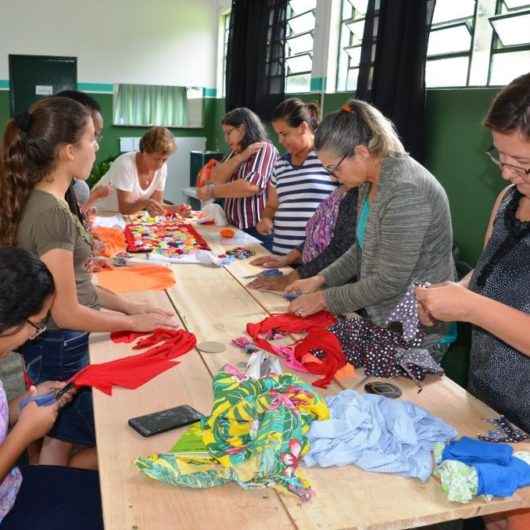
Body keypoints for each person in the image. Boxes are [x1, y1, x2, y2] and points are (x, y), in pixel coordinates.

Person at [0, 96, 178, 467]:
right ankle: (49, 502)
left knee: (59, 437)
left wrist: (130, 306)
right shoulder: (52, 214)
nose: (97, 146)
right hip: (60, 344)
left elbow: (78, 286)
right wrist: (132, 323)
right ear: (68, 151)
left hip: (58, 341)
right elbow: (66, 311)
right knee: (58, 439)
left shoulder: (52, 203)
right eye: (91, 139)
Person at [416, 74, 530, 530]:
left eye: (522, 163)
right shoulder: (509, 199)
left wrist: (471, 308)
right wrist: (454, 294)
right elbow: (487, 274)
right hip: (489, 400)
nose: (506, 174)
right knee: (482, 516)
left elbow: (483, 306)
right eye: (500, 157)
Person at [285, 99, 455, 353]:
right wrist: (320, 279)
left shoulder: (405, 191)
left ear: (362, 152)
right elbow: (362, 247)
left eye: (334, 168)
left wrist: (323, 298)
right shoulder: (368, 181)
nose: (333, 177)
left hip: (416, 327)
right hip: (384, 317)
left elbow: (389, 282)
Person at [0, 247, 103, 530]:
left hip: (12, 486)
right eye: (36, 325)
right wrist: (25, 433)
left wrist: (22, 406)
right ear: (9, 319)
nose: (35, 334)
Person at [254, 98, 338, 255]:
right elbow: (272, 206)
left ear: (303, 127)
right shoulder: (280, 164)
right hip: (281, 254)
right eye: (278, 135)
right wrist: (266, 219)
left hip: (316, 259)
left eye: (284, 134)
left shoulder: (328, 159)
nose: (280, 140)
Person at [248, 184, 358, 292]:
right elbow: (315, 235)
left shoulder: (355, 196)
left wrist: (291, 278)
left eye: (334, 167)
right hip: (312, 278)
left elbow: (339, 249)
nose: (329, 170)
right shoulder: (341, 189)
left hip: (332, 287)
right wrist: (288, 258)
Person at [196, 107, 278, 250]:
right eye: (225, 134)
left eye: (229, 133)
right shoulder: (236, 152)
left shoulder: (265, 149)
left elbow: (250, 186)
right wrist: (241, 157)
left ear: (243, 129)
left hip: (256, 230)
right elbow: (216, 179)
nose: (226, 139)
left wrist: (212, 191)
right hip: (233, 227)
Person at [93, 126, 176, 215]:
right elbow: (124, 209)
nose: (160, 164)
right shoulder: (125, 164)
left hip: (125, 217)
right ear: (144, 151)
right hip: (99, 214)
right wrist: (145, 203)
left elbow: (156, 205)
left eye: (164, 159)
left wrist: (175, 209)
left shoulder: (163, 168)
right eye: (156, 159)